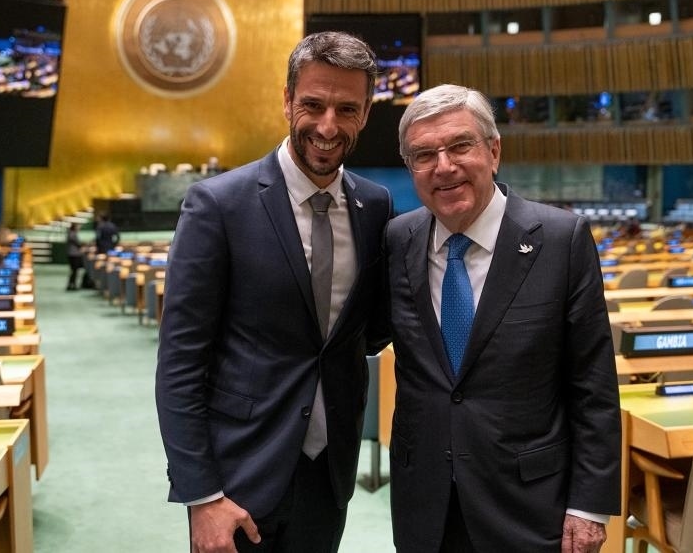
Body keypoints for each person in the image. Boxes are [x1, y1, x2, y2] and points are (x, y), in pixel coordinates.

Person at [155, 31, 392, 553]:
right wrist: (202, 495)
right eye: (313, 104)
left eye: (346, 109)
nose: (327, 126)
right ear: (287, 101)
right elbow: (179, 363)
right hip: (237, 479)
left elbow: (368, 332)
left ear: (366, 113)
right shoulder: (217, 205)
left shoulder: (375, 207)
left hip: (328, 475)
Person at [385, 84, 621, 552]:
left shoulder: (562, 239)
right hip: (425, 504)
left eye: (460, 145)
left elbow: (592, 385)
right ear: (411, 169)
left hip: (529, 504)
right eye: (424, 155)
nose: (444, 166)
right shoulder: (397, 239)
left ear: (493, 151)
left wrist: (589, 506)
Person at [65, 223, 83, 290]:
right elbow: (77, 243)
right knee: (74, 270)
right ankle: (72, 284)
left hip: (72, 254)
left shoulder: (71, 233)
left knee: (74, 271)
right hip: (74, 255)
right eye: (78, 227)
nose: (79, 228)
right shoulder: (72, 234)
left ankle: (72, 284)